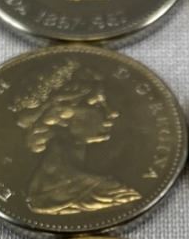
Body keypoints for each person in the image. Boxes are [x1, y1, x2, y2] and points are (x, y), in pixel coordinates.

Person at [11, 58, 140, 215]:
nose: (113, 113)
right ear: (60, 116)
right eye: (97, 105)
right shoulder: (112, 194)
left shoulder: (34, 193)